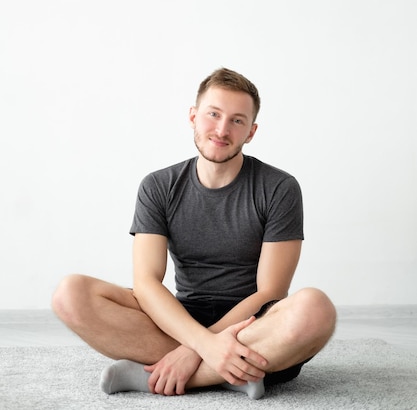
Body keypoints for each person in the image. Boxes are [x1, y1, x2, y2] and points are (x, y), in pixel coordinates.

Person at [52, 67, 336, 400]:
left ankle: (164, 375)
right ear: (193, 116)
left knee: (316, 309)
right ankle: (231, 373)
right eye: (213, 114)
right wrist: (203, 343)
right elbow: (145, 283)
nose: (221, 129)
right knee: (69, 293)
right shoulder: (159, 186)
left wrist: (195, 351)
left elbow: (270, 291)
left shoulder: (279, 188)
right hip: (181, 320)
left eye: (237, 120)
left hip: (257, 328)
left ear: (252, 132)